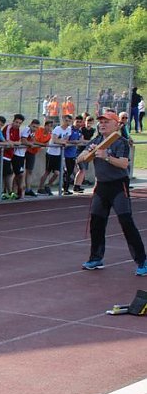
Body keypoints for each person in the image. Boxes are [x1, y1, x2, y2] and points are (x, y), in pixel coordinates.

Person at [77, 110, 146, 276]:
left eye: (106, 121)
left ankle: (142, 260)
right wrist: (89, 153)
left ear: (116, 124)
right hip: (101, 187)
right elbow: (80, 158)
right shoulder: (97, 140)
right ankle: (96, 258)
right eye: (101, 121)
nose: (102, 124)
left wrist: (106, 157)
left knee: (126, 222)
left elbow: (123, 164)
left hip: (118, 186)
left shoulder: (120, 142)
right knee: (97, 223)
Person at [39, 114, 72, 196]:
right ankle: (40, 187)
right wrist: (63, 142)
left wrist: (63, 142)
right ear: (63, 120)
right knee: (47, 171)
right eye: (66, 120)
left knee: (57, 173)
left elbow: (66, 140)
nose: (67, 122)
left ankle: (48, 185)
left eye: (69, 121)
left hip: (58, 153)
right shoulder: (57, 129)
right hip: (51, 153)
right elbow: (55, 140)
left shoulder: (69, 129)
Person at [0, 114, 25, 200]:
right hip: (2, 154)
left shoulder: (18, 130)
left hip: (10, 155)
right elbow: (8, 142)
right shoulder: (8, 128)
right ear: (13, 121)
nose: (17, 124)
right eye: (16, 122)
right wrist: (15, 143)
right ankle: (5, 192)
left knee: (8, 174)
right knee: (7, 174)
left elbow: (18, 142)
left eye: (19, 123)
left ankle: (6, 192)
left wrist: (15, 143)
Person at [72, 114, 96, 193]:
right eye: (87, 122)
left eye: (91, 122)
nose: (89, 124)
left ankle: (78, 186)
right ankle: (76, 186)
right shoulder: (82, 129)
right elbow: (82, 140)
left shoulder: (93, 130)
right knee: (81, 169)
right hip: (80, 151)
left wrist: (89, 142)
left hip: (87, 151)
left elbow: (94, 139)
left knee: (83, 170)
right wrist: (89, 142)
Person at [62, 115, 84, 195]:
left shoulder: (79, 131)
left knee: (70, 172)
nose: (78, 123)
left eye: (80, 122)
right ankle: (65, 189)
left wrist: (79, 141)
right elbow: (65, 141)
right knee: (67, 172)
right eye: (77, 121)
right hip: (66, 154)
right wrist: (74, 142)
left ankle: (66, 189)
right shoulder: (69, 130)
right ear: (74, 121)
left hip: (73, 155)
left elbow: (80, 140)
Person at [23, 119, 43, 197]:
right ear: (30, 124)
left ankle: (28, 189)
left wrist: (42, 144)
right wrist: (30, 144)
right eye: (33, 126)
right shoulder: (27, 130)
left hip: (31, 152)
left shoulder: (33, 132)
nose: (35, 128)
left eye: (36, 127)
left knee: (30, 171)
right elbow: (23, 140)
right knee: (20, 172)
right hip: (23, 152)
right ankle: (17, 189)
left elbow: (34, 141)